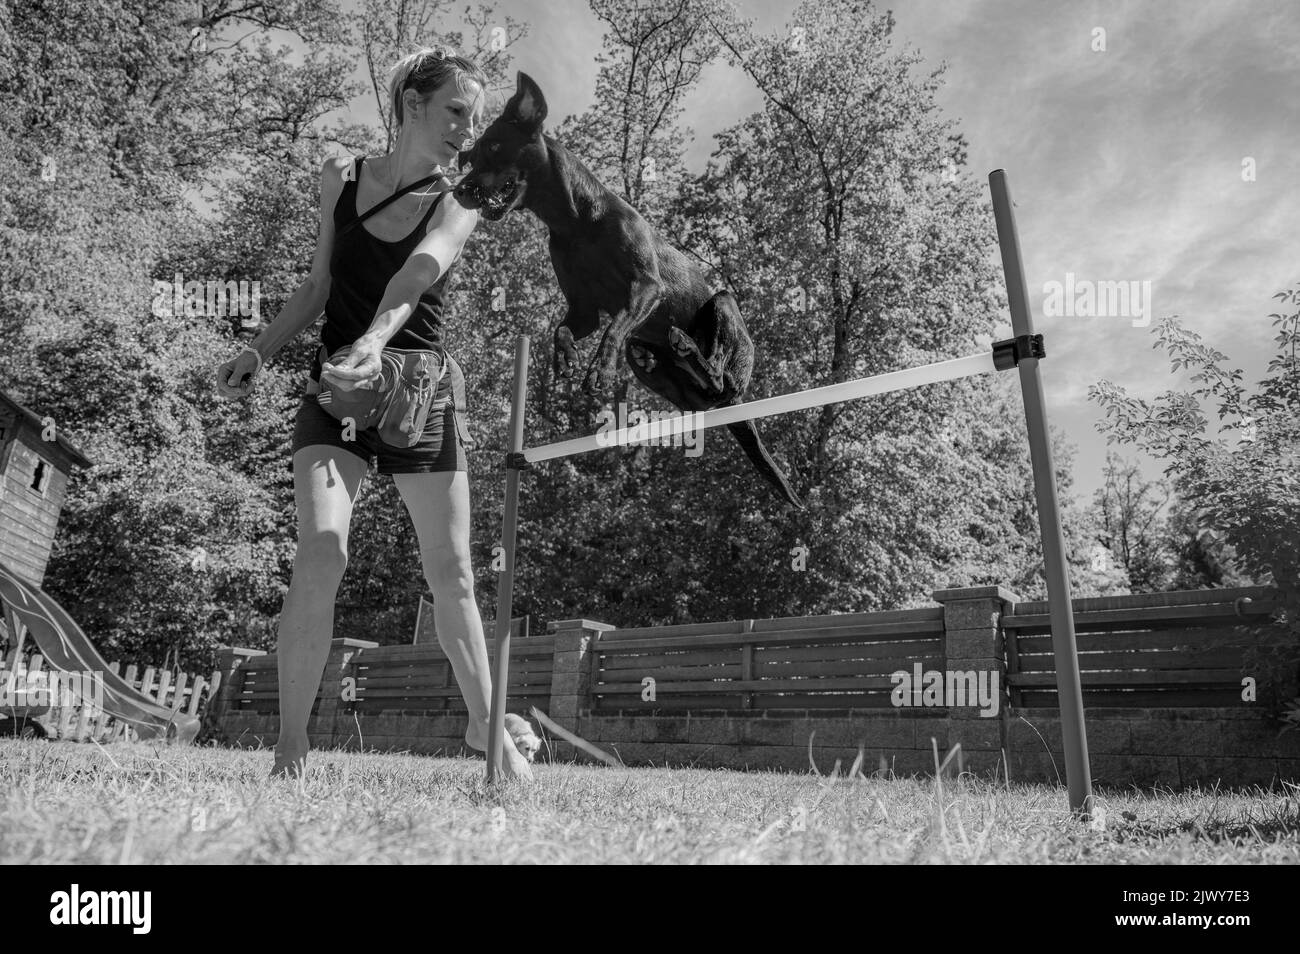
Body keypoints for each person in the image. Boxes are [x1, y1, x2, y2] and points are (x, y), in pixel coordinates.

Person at [216, 45, 533, 781]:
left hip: (418, 390)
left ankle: (488, 745)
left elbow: (419, 275)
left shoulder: (464, 197)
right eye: (457, 110)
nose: (467, 129)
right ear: (413, 102)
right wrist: (260, 351)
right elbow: (319, 284)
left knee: (452, 573)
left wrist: (372, 340)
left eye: (476, 119)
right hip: (338, 395)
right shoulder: (342, 178)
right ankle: (290, 751)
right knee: (322, 549)